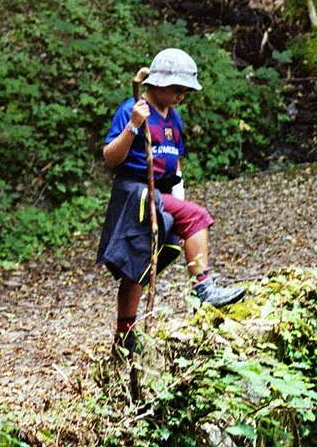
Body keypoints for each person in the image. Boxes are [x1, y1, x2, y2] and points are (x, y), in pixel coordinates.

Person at [98, 46, 247, 353]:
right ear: (159, 84)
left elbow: (175, 160)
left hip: (162, 192)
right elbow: (110, 158)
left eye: (185, 91)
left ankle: (124, 337)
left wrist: (178, 192)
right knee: (195, 218)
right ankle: (202, 289)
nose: (181, 96)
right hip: (135, 192)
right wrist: (133, 127)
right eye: (177, 89)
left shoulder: (173, 117)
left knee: (139, 265)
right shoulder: (132, 109)